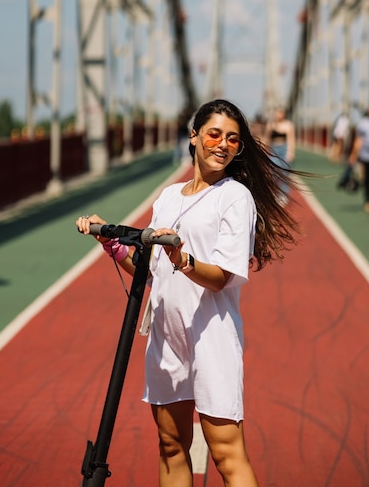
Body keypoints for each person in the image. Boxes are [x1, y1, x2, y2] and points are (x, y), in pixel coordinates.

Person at [76, 99, 302, 487]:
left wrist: (184, 259)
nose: (223, 144)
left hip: (210, 335)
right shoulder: (168, 197)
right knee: (171, 446)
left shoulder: (234, 197)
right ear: (194, 135)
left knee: (227, 454)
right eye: (214, 134)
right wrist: (112, 245)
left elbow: (224, 276)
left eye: (233, 139)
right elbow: (150, 272)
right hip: (167, 335)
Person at [265, 106, 296, 205]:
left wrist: (290, 152)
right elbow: (267, 139)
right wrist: (266, 151)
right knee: (273, 171)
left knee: (284, 173)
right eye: (278, 112)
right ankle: (275, 192)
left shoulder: (288, 125)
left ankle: (283, 194)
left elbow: (291, 139)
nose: (280, 115)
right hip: (274, 149)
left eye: (282, 113)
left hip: (284, 148)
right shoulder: (271, 125)